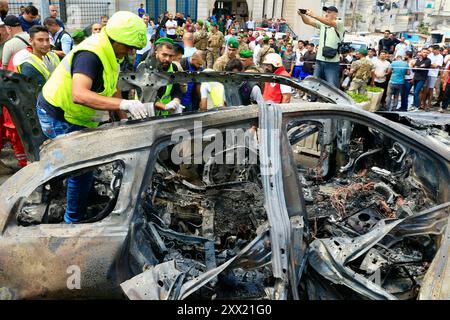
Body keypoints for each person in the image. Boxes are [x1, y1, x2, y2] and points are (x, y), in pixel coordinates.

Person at [36, 11, 149, 223]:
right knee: (80, 170)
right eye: (128, 46)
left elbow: (112, 85)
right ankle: (73, 220)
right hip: (58, 115)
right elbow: (79, 94)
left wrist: (122, 117)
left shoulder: (112, 52)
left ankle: (87, 197)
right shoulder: (91, 54)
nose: (132, 52)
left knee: (92, 158)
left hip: (79, 116)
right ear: (115, 39)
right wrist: (123, 103)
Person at [298, 6, 344, 88]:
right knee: (315, 83)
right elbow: (308, 22)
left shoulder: (339, 23)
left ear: (335, 14)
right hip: (319, 60)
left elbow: (329, 22)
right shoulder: (323, 23)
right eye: (326, 12)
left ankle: (332, 100)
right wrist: (302, 15)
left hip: (332, 62)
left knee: (332, 85)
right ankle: (313, 99)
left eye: (329, 12)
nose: (327, 14)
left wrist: (314, 15)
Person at [424, 45, 443, 110]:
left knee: (431, 89)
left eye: (434, 50)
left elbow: (436, 66)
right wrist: (430, 65)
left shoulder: (440, 57)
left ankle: (428, 105)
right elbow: (427, 64)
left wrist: (429, 65)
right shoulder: (430, 55)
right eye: (433, 50)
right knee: (425, 89)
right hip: (426, 73)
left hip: (433, 74)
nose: (433, 51)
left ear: (438, 50)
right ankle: (423, 104)